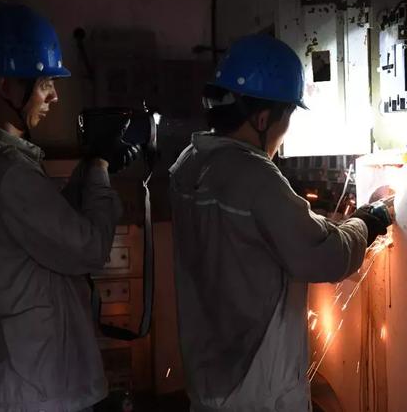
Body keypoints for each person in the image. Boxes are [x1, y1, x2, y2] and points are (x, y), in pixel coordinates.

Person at [168, 34, 392, 411]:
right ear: (262, 118)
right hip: (257, 388)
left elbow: (249, 230)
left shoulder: (189, 162)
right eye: (286, 118)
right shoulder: (254, 175)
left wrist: (322, 222)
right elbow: (325, 258)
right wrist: (368, 220)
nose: (284, 134)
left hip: (208, 378)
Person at [0, 4, 138, 412]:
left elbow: (43, 230)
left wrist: (86, 171)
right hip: (39, 391)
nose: (54, 95)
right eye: (45, 82)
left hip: (19, 379)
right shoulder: (7, 173)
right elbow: (89, 248)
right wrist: (100, 170)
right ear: (5, 86)